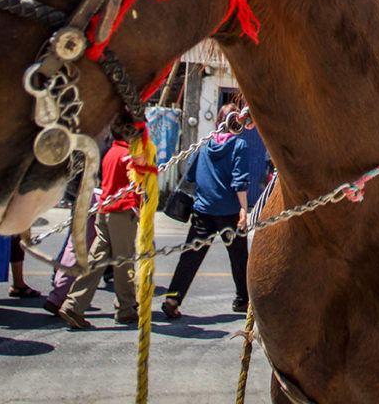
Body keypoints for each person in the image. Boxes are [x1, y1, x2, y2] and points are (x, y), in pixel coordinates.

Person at [161, 102, 251, 319]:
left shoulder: (205, 144)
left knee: (190, 256)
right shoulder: (239, 145)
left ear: (219, 121)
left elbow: (190, 175)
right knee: (239, 257)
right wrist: (243, 209)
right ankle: (242, 300)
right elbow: (239, 182)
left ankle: (173, 298)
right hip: (229, 211)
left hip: (203, 210)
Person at [59, 127, 141, 329]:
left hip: (104, 210)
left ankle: (74, 304)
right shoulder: (127, 155)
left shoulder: (111, 152)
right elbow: (136, 183)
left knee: (97, 259)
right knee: (124, 261)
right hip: (121, 212)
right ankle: (126, 309)